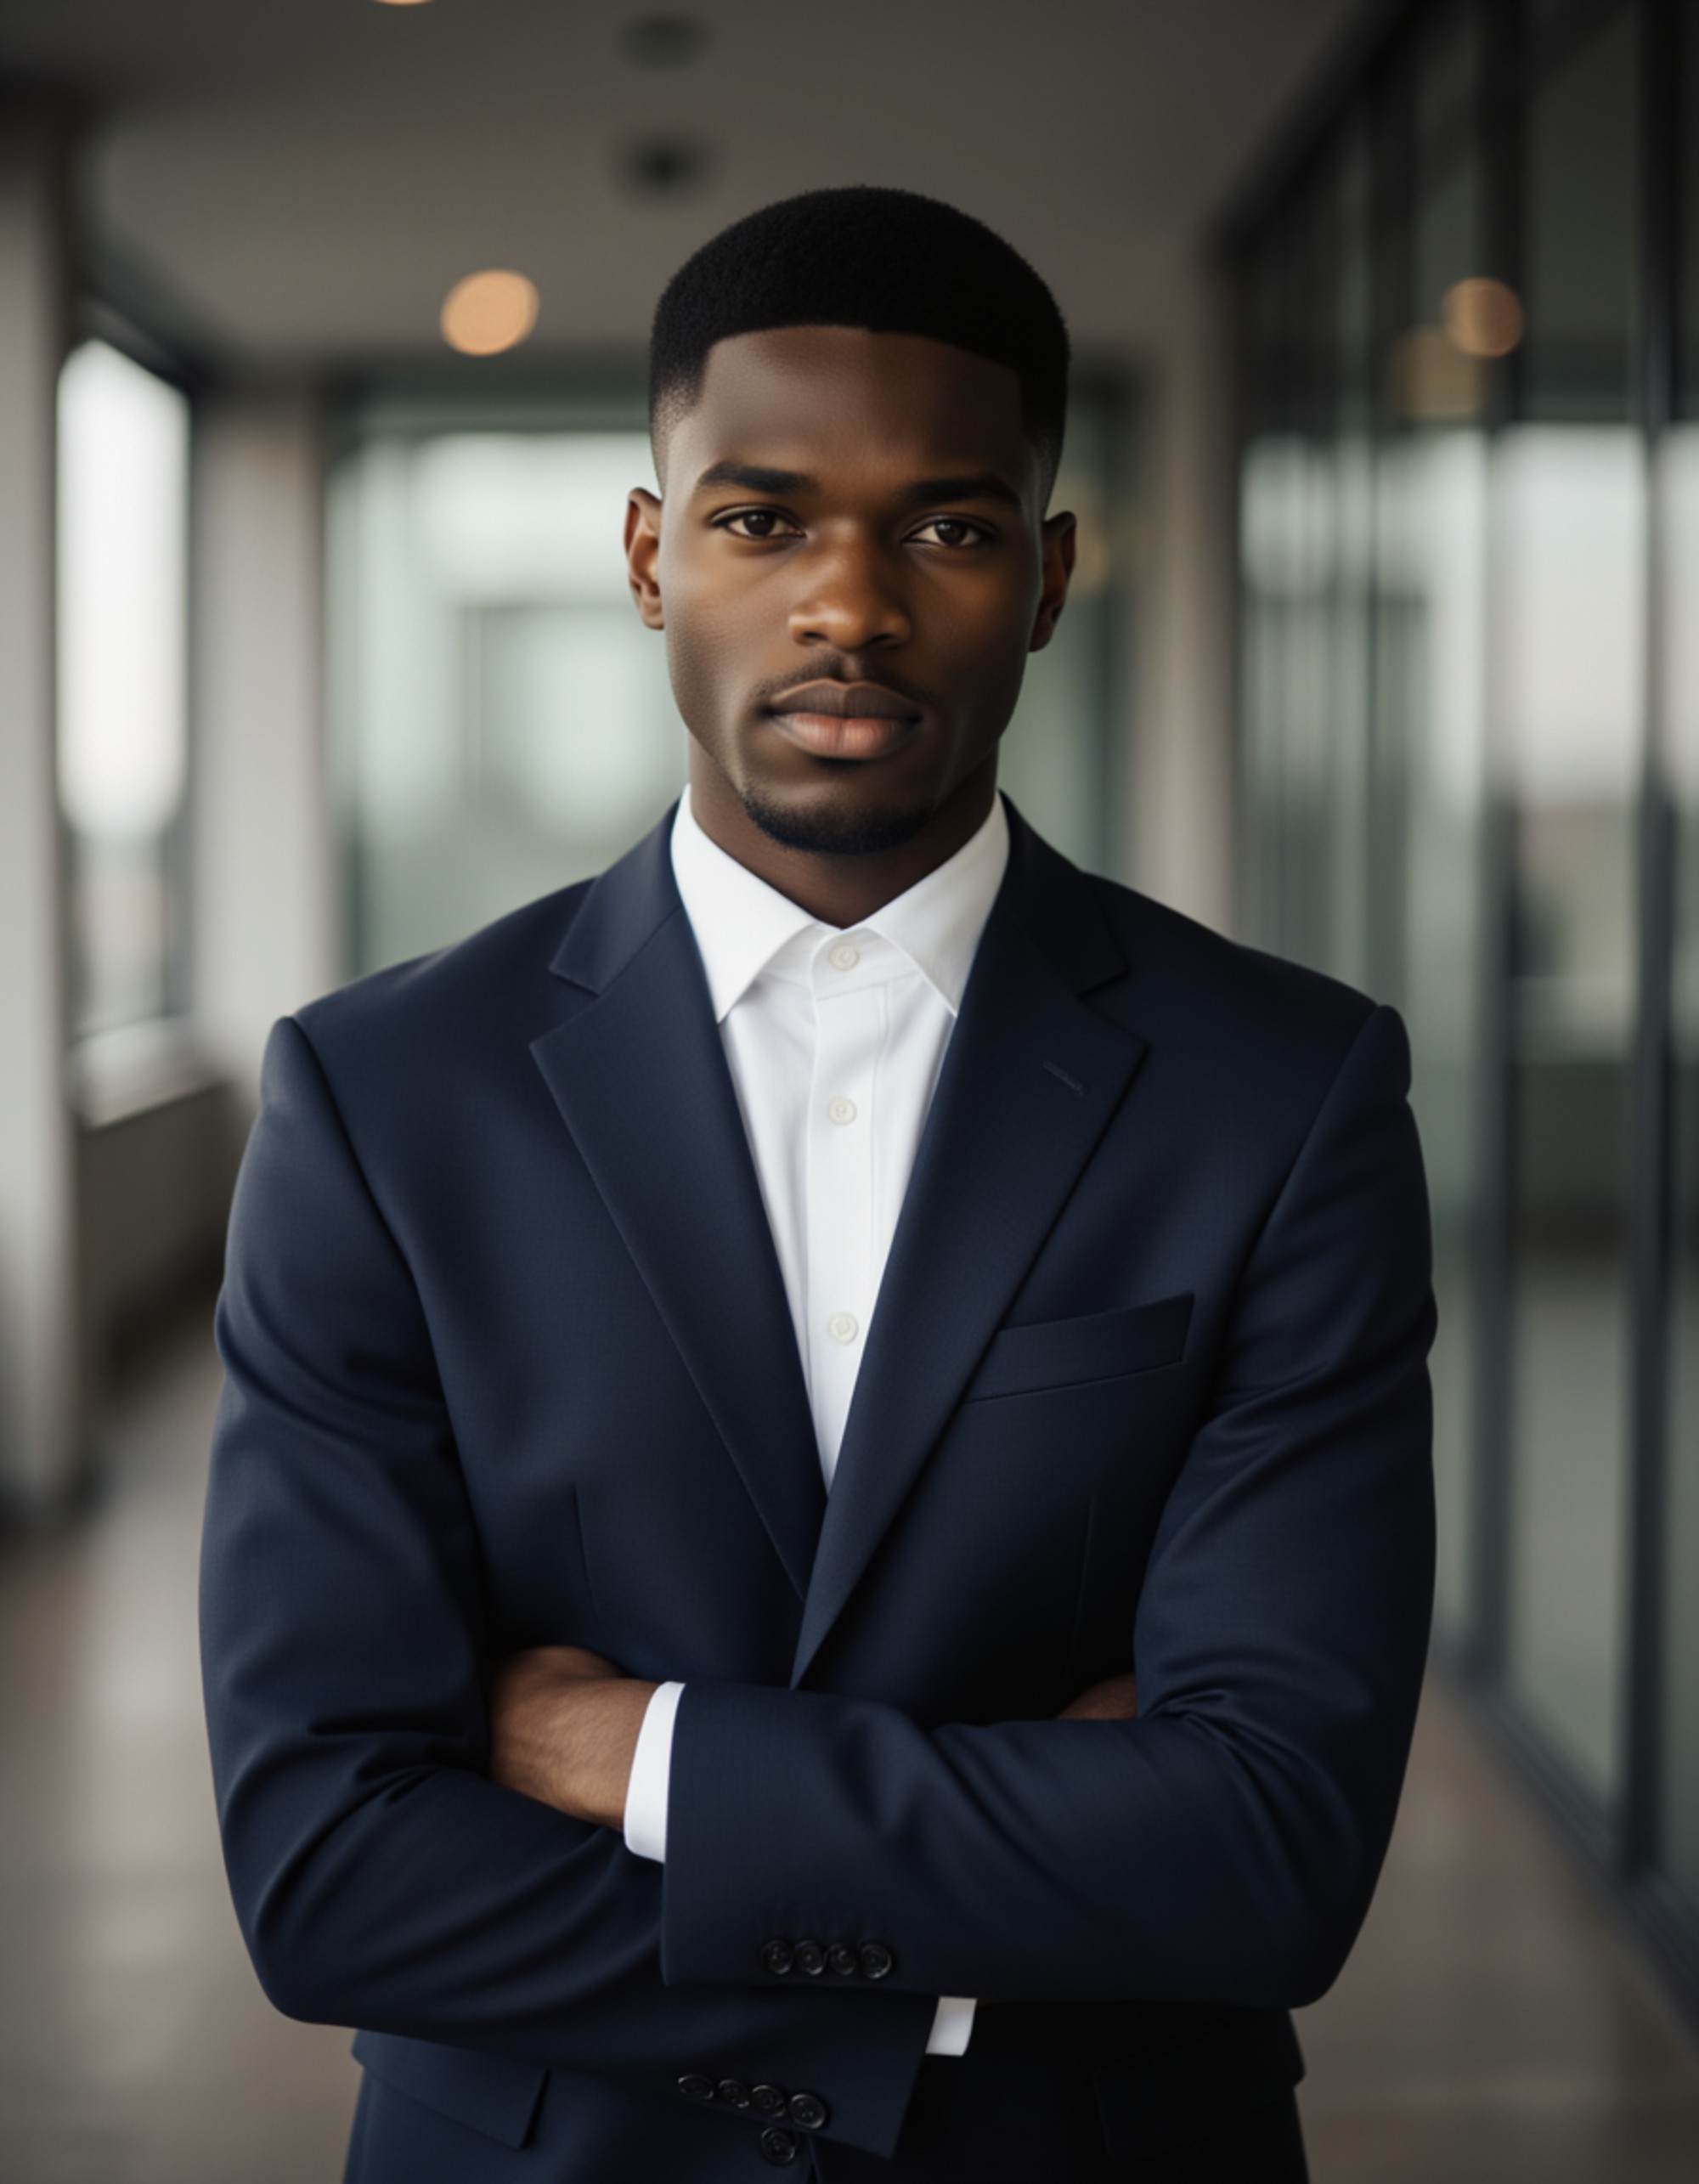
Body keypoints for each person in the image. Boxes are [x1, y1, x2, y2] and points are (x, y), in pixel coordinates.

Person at [200, 187, 1435, 2184]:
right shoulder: (382, 1098)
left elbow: (1270, 1848)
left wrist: (641, 1752)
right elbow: (328, 1868)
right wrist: (997, 1898)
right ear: (648, 556)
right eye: (761, 519)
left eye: (945, 529)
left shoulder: (1283, 1092)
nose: (848, 606)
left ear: (1046, 577)